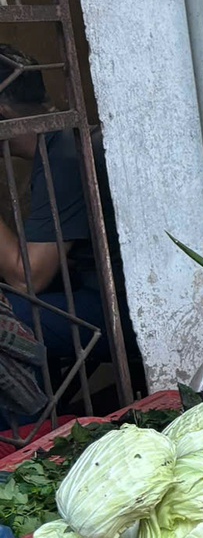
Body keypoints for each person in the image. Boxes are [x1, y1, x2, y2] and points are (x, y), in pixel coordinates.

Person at [0, 44, 100, 370]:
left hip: (117, 308)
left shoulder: (63, 158)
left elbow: (27, 278)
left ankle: (33, 422)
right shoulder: (64, 139)